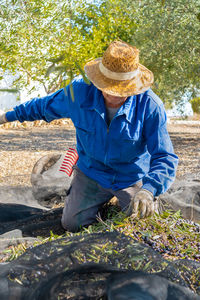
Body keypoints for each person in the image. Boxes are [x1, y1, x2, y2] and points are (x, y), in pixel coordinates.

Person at [0, 40, 178, 232]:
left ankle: (127, 201)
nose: (116, 95)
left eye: (123, 89)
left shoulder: (150, 106)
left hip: (130, 175)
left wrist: (148, 190)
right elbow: (42, 106)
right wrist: (4, 117)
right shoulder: (78, 93)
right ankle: (84, 187)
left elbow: (165, 157)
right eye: (110, 87)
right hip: (92, 173)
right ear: (99, 80)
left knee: (143, 226)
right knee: (71, 223)